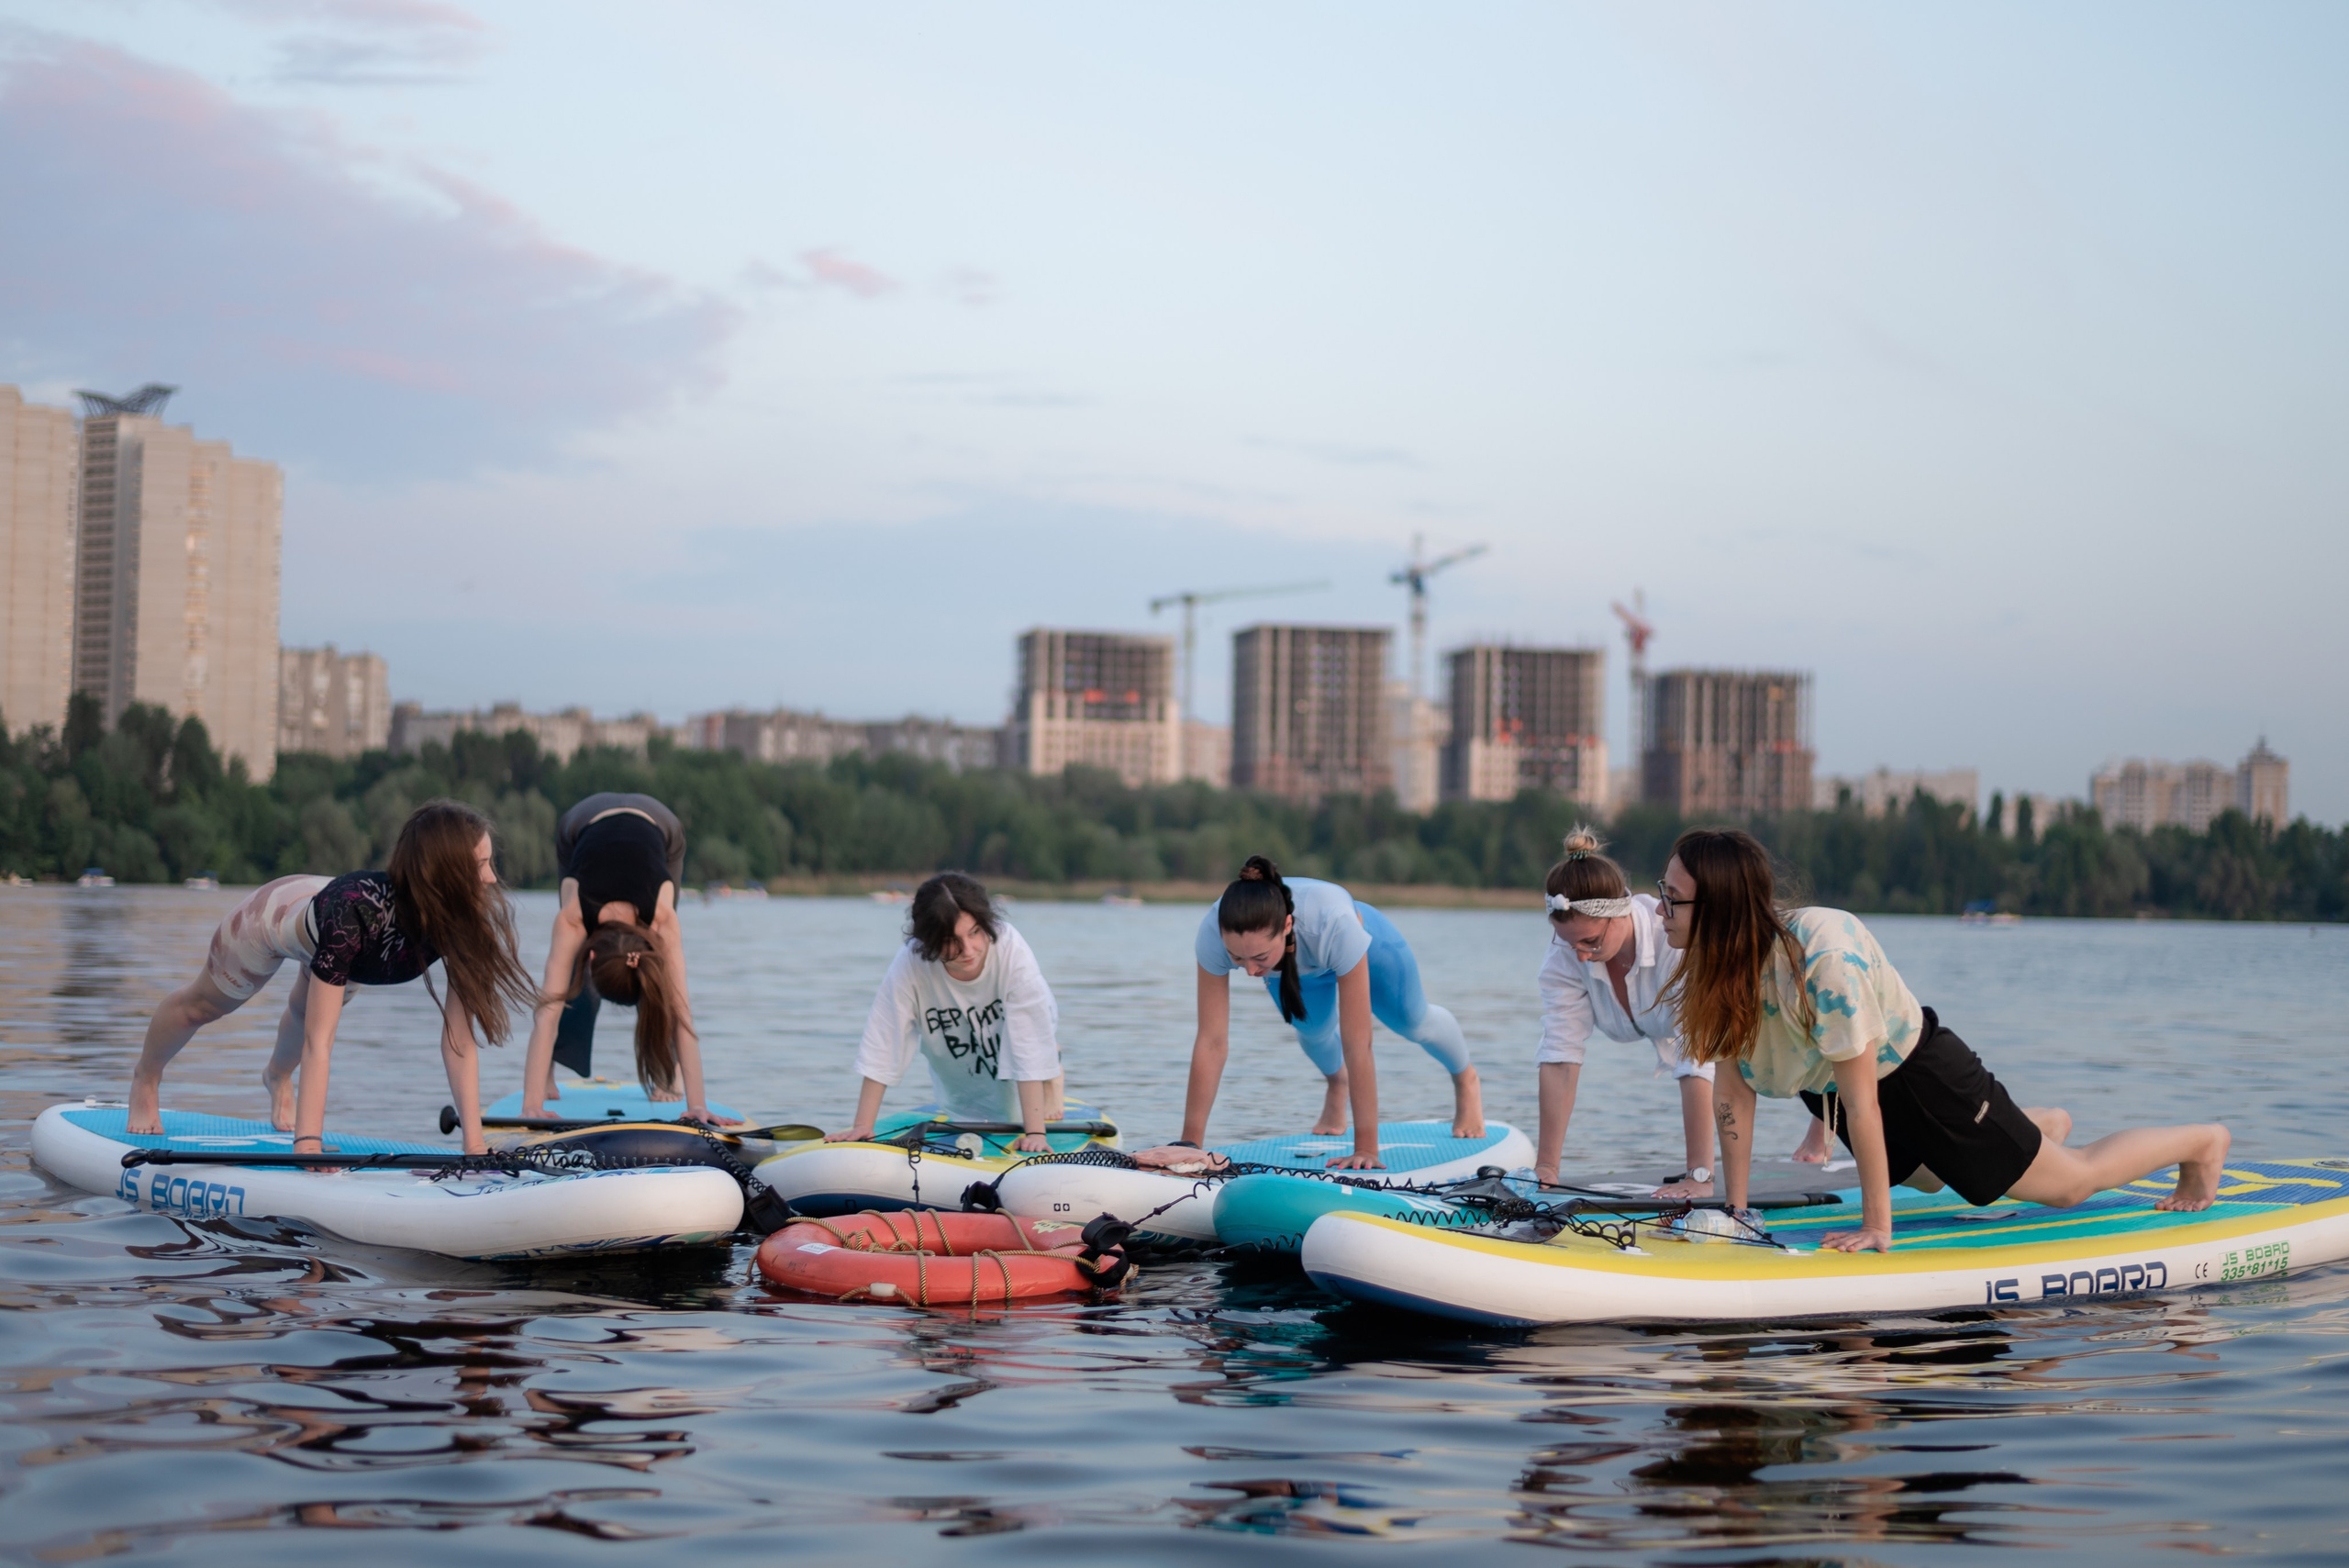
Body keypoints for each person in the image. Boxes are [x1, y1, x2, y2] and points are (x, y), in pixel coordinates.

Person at [1662, 828, 2230, 1252]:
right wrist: (1737, 1214)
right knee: (1933, 1180)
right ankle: (2033, 1129)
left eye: (1672, 897)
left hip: (1918, 1078)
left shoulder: (1824, 961)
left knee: (2069, 1186)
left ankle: (2201, 1143)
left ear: (1719, 908)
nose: (1660, 908)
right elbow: (1732, 1093)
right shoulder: (1717, 967)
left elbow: (1865, 1104)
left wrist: (1876, 1226)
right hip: (1833, 1088)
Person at [128, 800, 537, 1156]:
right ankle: (146, 1077)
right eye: (480, 865)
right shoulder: (354, 915)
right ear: (444, 872)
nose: (491, 878)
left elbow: (459, 1041)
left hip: (345, 938)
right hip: (275, 916)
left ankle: (277, 1078)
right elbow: (319, 1043)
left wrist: (474, 1147)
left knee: (303, 1013)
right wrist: (308, 1142)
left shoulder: (463, 926)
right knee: (202, 1007)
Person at [1183, 856, 1482, 1171]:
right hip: (1296, 966)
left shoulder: (1334, 924)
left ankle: (1466, 1079)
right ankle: (1337, 1083)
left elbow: (1358, 1044)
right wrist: (1188, 1148)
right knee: (1312, 1029)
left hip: (1373, 949)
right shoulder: (1213, 933)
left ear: (1286, 926)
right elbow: (1212, 1042)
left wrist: (1365, 1149)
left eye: (1259, 957)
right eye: (1237, 959)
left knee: (1412, 1021)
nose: (1250, 971)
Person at [519, 793, 735, 1123]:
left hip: (660, 827)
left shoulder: (661, 919)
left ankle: (669, 1071)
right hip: (580, 825)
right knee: (566, 973)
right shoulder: (574, 919)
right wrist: (531, 1104)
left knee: (658, 977)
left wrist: (697, 1105)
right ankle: (545, 1075)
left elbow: (680, 1013)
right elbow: (548, 1008)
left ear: (593, 955)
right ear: (592, 957)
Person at [1535, 827, 1720, 1198]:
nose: (1580, 956)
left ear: (1620, 914)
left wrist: (1699, 1177)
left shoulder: (1676, 943)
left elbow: (1697, 1061)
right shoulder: (1567, 951)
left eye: (1591, 941)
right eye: (1569, 943)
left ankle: (1818, 1134)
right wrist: (1546, 1169)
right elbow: (1560, 1057)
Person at [825, 873, 1067, 1151]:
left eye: (975, 932)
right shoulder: (911, 962)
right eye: (952, 940)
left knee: (1029, 1050)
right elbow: (884, 1038)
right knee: (977, 1109)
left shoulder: (1011, 950)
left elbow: (1029, 1043)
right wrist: (862, 1126)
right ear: (928, 940)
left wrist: (1035, 1133)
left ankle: (1051, 1073)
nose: (968, 950)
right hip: (958, 1039)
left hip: (1020, 1027)